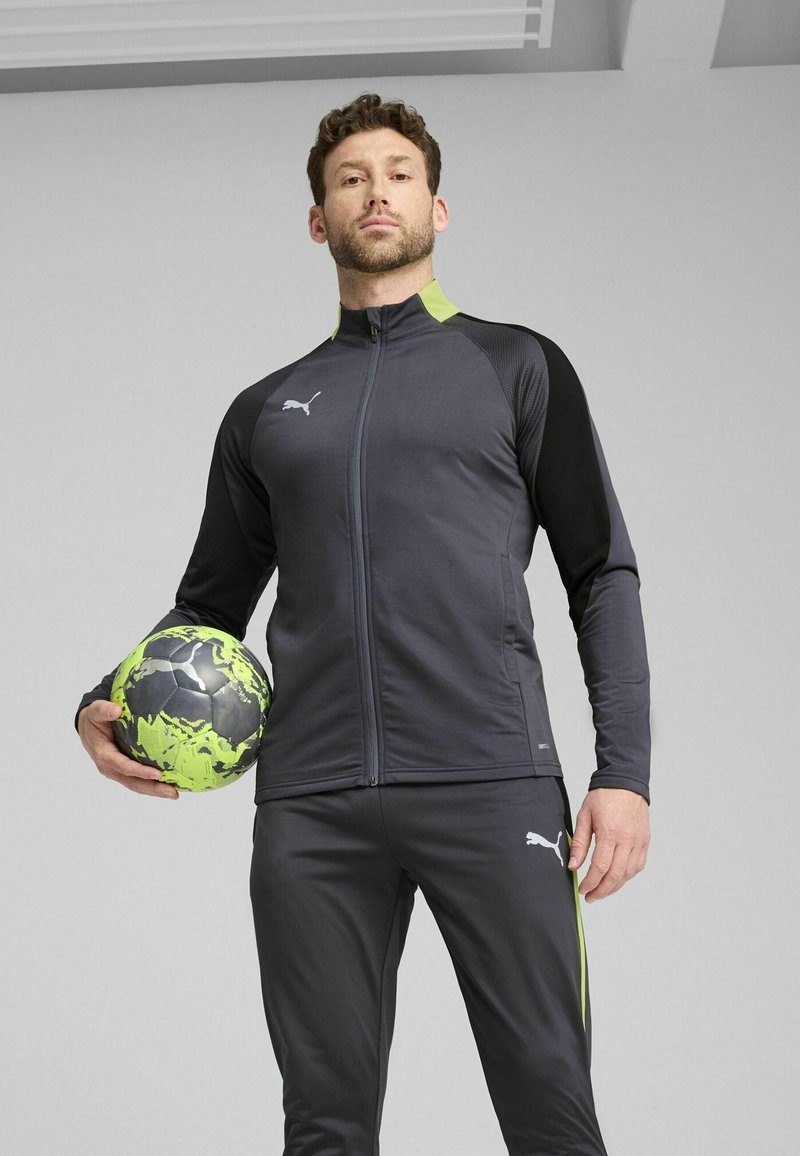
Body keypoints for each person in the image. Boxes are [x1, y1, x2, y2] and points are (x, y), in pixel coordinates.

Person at [76, 91, 652, 1155]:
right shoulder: (266, 409)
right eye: (350, 179)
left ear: (438, 207)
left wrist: (625, 772)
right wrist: (99, 700)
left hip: (489, 781)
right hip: (314, 805)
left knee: (550, 1112)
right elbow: (208, 604)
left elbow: (600, 572)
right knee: (324, 1125)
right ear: (318, 219)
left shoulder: (516, 365)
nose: (375, 192)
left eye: (397, 174)